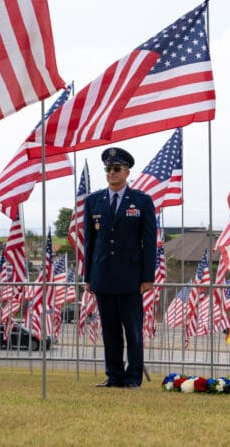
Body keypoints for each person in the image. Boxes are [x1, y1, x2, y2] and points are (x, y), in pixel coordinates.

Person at [84, 147, 157, 388]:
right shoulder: (93, 201)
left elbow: (149, 242)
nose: (111, 173)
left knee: (133, 332)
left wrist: (148, 276)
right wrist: (88, 277)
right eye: (108, 169)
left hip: (131, 277)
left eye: (116, 169)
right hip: (103, 275)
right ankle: (114, 376)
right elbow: (90, 242)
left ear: (126, 172)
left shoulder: (142, 201)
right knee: (110, 331)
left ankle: (133, 377)